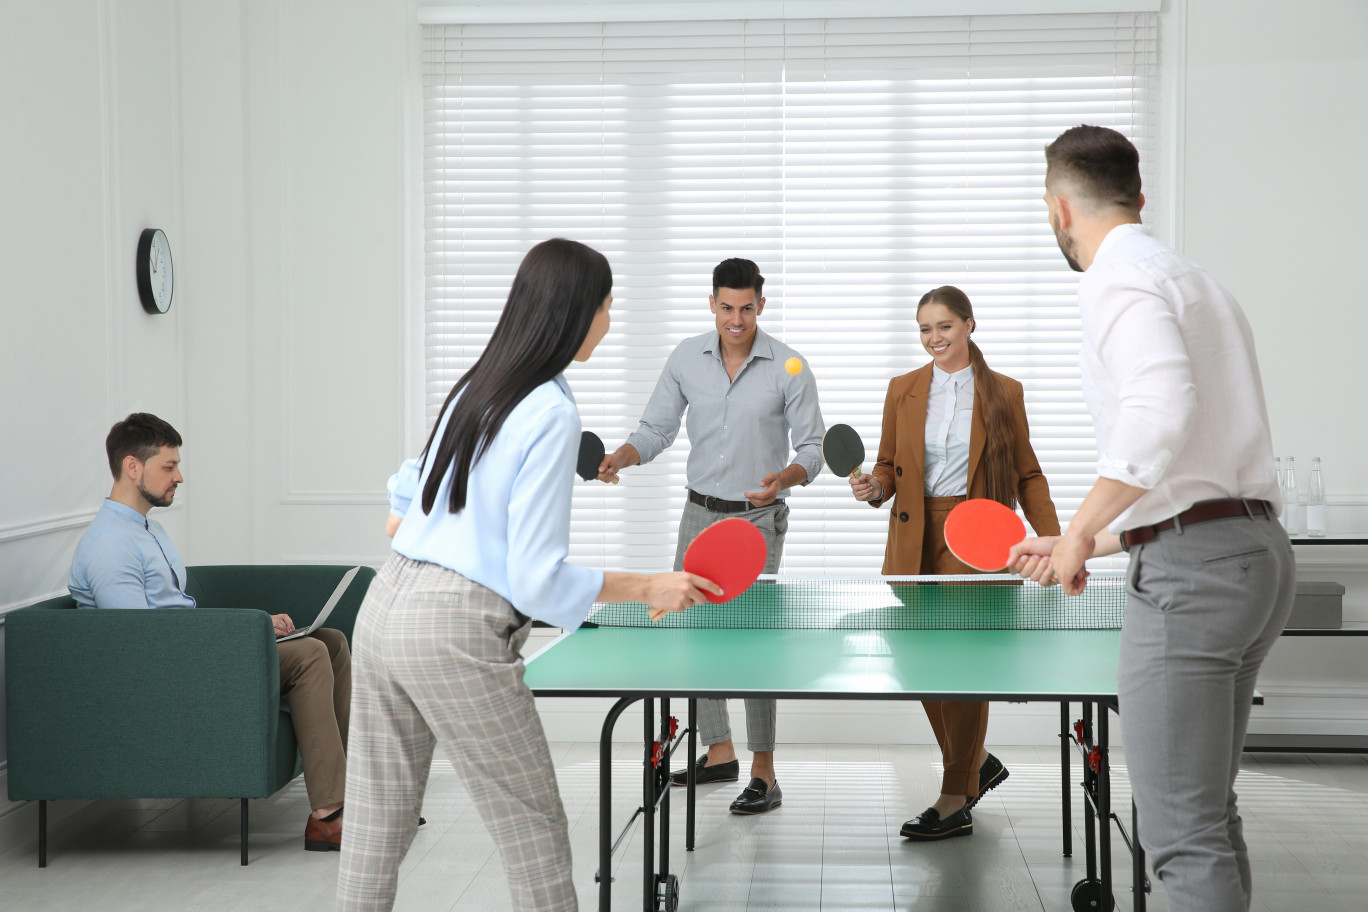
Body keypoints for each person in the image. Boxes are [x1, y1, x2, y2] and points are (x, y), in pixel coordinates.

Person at [336, 239, 719, 912]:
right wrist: (648, 584)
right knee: (533, 827)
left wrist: (421, 524)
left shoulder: (481, 383)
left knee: (375, 824)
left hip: (385, 605)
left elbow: (406, 485)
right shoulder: (551, 412)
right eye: (606, 307)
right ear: (575, 313)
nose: (609, 321)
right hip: (452, 630)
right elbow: (536, 578)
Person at [1008, 124, 1293, 912]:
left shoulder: (1113, 280)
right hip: (1255, 554)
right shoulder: (1194, 279)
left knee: (1182, 832)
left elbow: (1161, 411)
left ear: (1059, 208)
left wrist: (1073, 534)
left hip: (1196, 578)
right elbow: (1196, 471)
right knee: (1207, 811)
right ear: (1139, 196)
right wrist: (1088, 544)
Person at [597, 257, 824, 816]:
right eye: (727, 307)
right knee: (695, 633)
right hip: (699, 515)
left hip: (756, 520)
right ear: (712, 304)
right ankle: (718, 751)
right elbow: (655, 429)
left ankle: (763, 772)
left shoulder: (789, 367)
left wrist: (785, 479)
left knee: (752, 643)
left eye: (747, 307)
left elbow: (813, 449)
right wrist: (621, 456)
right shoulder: (685, 358)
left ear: (761, 306)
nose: (737, 318)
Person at [69, 412, 352, 852]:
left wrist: (254, 625)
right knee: (310, 655)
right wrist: (244, 633)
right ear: (132, 467)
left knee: (330, 642)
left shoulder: (148, 530)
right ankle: (327, 819)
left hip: (189, 652)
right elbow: (135, 641)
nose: (179, 477)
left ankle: (360, 795)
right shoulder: (110, 544)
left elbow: (177, 614)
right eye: (169, 466)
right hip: (170, 671)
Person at [849, 286, 1060, 841]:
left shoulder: (1004, 392)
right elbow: (890, 465)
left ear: (969, 324)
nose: (933, 338)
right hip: (914, 539)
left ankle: (953, 795)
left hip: (980, 537)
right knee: (922, 665)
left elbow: (1028, 475)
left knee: (964, 666)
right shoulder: (903, 390)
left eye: (944, 326)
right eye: (924, 329)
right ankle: (977, 764)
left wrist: (1056, 539)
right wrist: (874, 486)